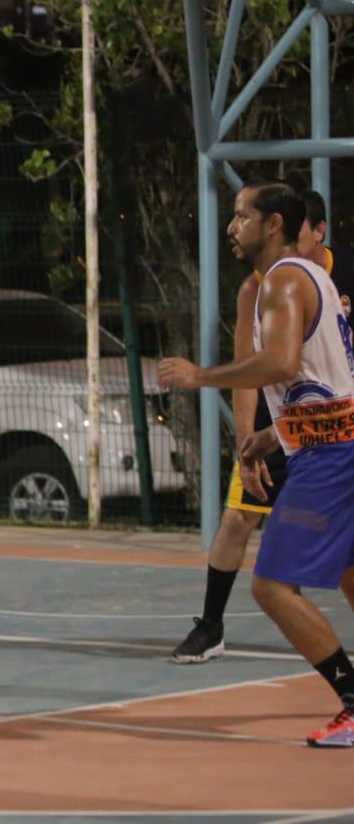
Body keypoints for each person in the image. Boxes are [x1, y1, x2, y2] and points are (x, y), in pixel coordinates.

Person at [159, 182, 354, 747]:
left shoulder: (284, 281)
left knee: (270, 587)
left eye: (241, 216)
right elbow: (327, 379)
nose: (231, 226)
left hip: (330, 457)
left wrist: (201, 377)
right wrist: (277, 432)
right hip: (331, 439)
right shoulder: (314, 274)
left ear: (272, 223)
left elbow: (279, 361)